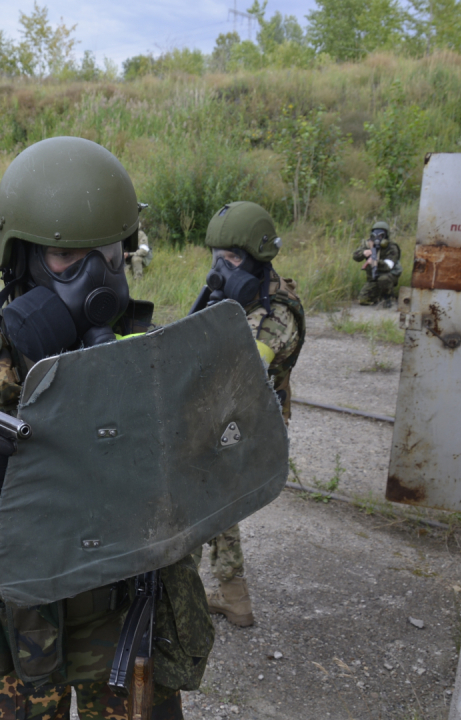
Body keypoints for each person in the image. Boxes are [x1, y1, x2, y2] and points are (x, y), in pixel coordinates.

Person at [0, 136, 209, 719]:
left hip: (122, 625)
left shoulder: (139, 352)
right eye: (69, 259)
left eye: (111, 256)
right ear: (19, 258)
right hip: (17, 639)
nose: (97, 278)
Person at [193, 201, 305, 628]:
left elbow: (240, 372)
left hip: (247, 422)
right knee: (214, 502)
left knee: (206, 500)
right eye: (217, 258)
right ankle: (231, 594)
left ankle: (203, 590)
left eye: (233, 259)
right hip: (226, 417)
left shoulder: (275, 313)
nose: (221, 268)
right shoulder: (236, 298)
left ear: (259, 258)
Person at [352, 221, 401, 307]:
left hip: (388, 275)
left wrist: (376, 262)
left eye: (381, 235)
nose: (378, 238)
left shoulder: (392, 247)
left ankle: (387, 298)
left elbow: (388, 266)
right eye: (375, 234)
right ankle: (377, 296)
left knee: (383, 279)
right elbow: (355, 257)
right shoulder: (368, 244)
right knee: (363, 300)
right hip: (373, 278)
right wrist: (363, 253)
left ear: (386, 235)